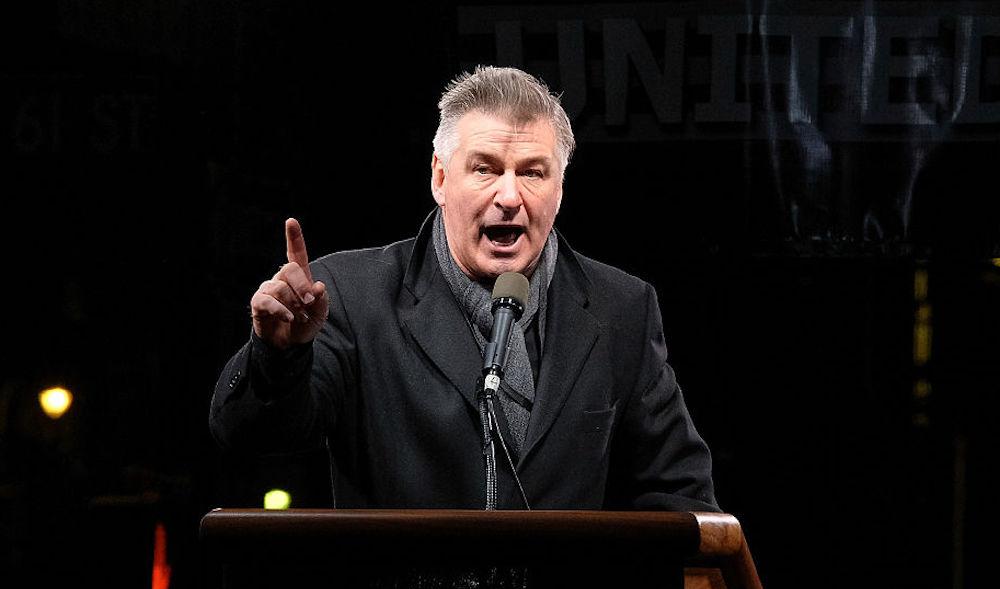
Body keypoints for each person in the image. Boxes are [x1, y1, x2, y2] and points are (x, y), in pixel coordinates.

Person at [210, 65, 718, 513]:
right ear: (439, 177)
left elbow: (680, 493)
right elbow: (254, 440)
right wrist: (278, 357)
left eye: (533, 173)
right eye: (485, 169)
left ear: (560, 189)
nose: (509, 196)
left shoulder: (622, 308)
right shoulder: (349, 295)